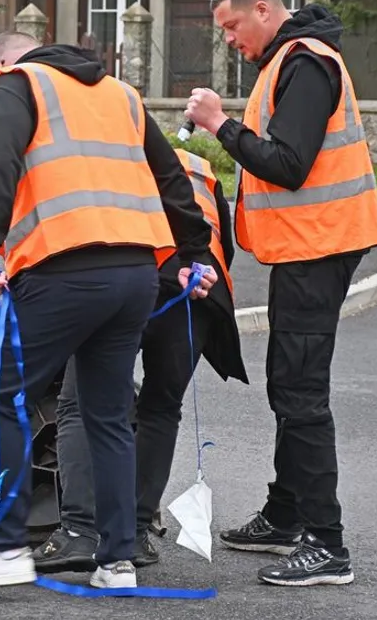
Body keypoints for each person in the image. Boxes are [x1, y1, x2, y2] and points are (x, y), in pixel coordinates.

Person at [0, 32, 217, 592]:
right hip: (134, 273)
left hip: (62, 269)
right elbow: (170, 175)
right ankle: (117, 561)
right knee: (107, 415)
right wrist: (193, 253)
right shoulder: (120, 94)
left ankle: (3, 548)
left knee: (2, 397)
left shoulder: (14, 85)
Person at [184, 0, 377, 587]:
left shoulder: (306, 62)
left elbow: (289, 164)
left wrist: (220, 125)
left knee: (299, 392)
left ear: (264, 11)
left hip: (321, 244)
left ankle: (327, 545)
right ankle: (286, 515)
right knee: (288, 384)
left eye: (232, 26)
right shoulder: (288, 61)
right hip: (308, 246)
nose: (229, 40)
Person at [33, 149, 249, 573]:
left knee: (78, 402)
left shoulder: (98, 156)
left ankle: (79, 532)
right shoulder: (199, 167)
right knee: (161, 408)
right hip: (197, 289)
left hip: (125, 277)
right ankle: (133, 534)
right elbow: (221, 240)